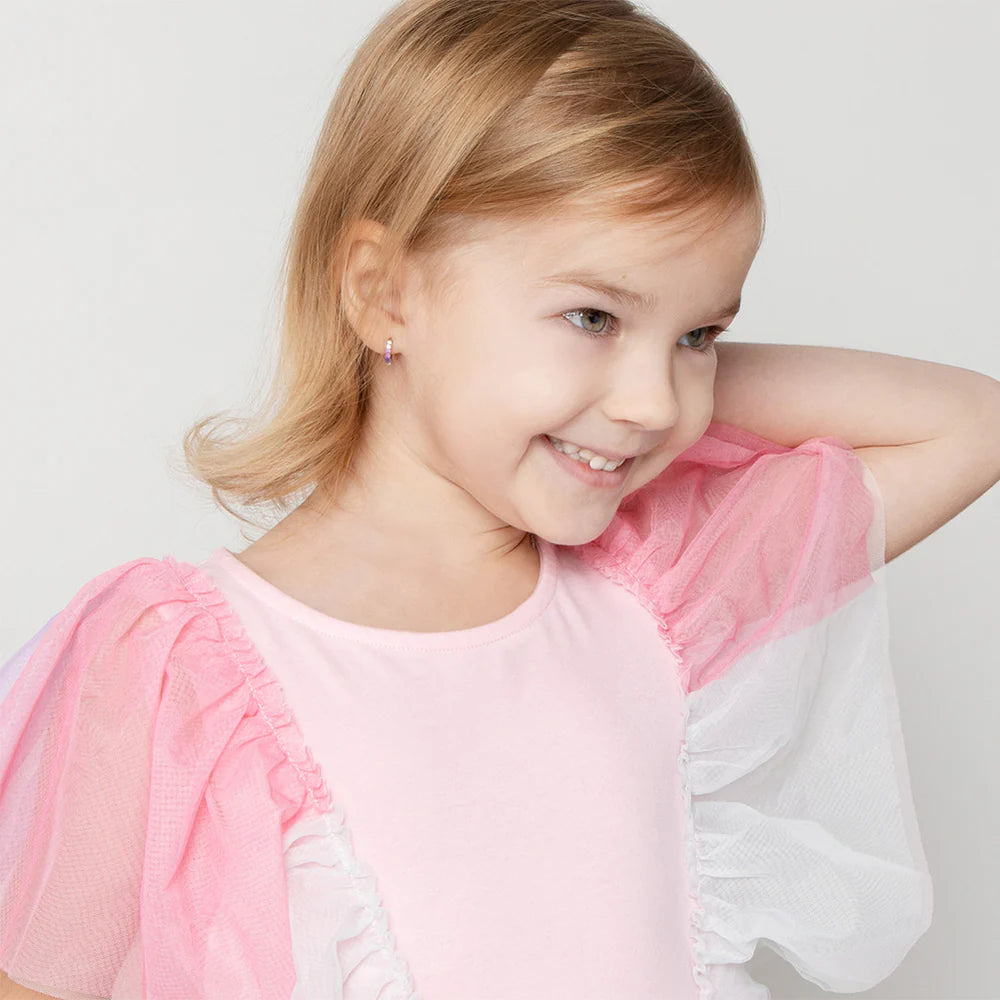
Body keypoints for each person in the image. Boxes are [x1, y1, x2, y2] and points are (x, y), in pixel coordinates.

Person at [15, 0, 1000, 996]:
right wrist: (650, 355)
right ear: (384, 292)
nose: (658, 402)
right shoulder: (176, 670)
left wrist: (640, 362)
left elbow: (971, 424)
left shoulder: (661, 597)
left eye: (700, 336)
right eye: (592, 315)